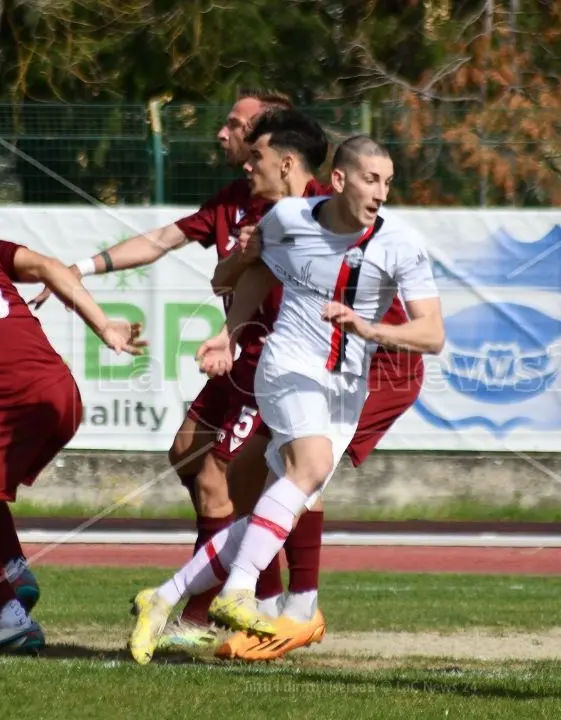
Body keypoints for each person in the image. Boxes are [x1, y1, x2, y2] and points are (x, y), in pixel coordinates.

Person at [127, 135, 444, 666]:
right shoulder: (288, 219)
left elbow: (432, 334)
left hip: (346, 387)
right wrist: (230, 333)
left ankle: (161, 598)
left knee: (281, 504)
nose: (381, 192)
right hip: (288, 366)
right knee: (311, 465)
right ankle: (241, 594)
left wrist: (368, 327)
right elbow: (254, 274)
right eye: (371, 179)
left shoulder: (401, 244)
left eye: (388, 182)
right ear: (339, 179)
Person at [0, 240, 146, 652]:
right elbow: (49, 265)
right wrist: (104, 326)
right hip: (59, 390)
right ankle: (12, 571)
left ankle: (8, 619)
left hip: (14, 395)